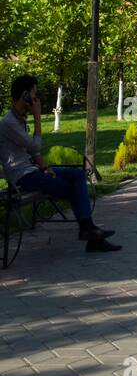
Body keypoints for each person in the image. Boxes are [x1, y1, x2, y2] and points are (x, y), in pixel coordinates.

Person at [0, 76, 121, 252]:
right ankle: (90, 232)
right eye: (34, 95)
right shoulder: (10, 122)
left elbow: (33, 151)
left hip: (33, 171)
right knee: (70, 187)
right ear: (25, 96)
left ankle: (89, 231)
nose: (36, 99)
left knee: (78, 174)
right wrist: (37, 117)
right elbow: (35, 145)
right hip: (21, 178)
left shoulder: (19, 119)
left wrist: (44, 167)